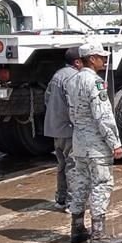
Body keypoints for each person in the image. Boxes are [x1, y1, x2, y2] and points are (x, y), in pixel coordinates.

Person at [67, 42, 122, 243]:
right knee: (101, 184)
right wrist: (115, 143)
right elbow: (103, 116)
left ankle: (76, 229)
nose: (104, 59)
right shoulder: (95, 82)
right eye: (101, 56)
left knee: (80, 184)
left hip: (79, 142)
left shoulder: (72, 80)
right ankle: (98, 234)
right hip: (95, 143)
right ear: (91, 59)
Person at [43, 48, 81, 212]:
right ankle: (72, 203)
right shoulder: (74, 77)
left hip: (55, 129)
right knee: (72, 165)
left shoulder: (58, 75)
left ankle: (61, 199)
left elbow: (47, 98)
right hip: (69, 129)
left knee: (61, 165)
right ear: (77, 62)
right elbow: (74, 105)